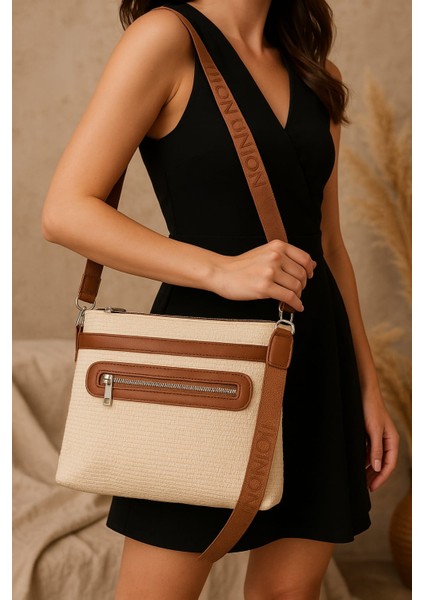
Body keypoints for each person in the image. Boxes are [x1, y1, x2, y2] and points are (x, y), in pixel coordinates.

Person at [42, 1, 400, 598]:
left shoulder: (315, 70)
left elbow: (330, 246)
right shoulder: (166, 38)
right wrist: (220, 271)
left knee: (288, 593)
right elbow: (65, 211)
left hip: (316, 359)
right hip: (205, 366)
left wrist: (367, 386)